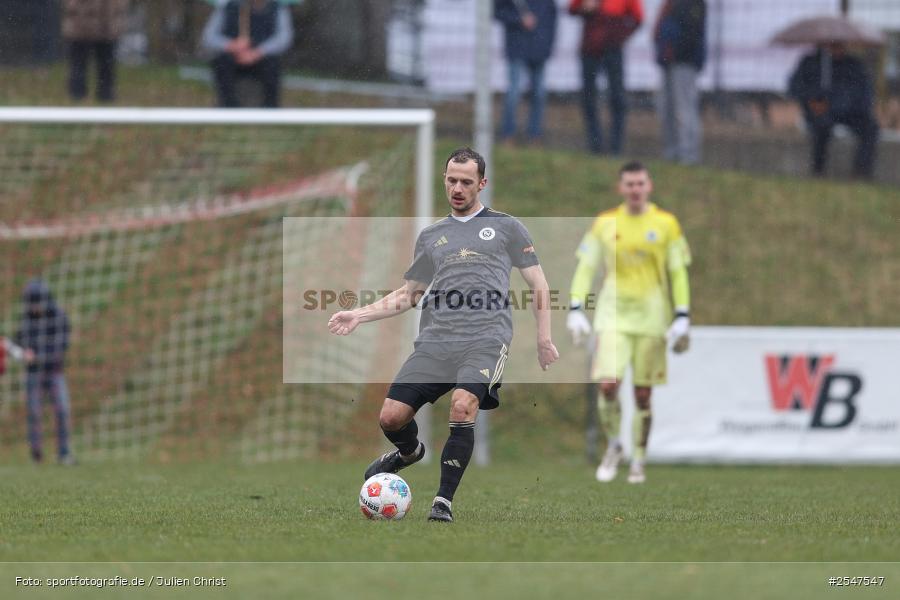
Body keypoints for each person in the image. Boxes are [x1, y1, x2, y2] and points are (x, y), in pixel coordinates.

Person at [328, 147, 559, 522]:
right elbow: (408, 294)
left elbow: (539, 284)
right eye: (451, 180)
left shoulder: (507, 227)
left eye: (467, 182)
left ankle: (443, 502)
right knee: (390, 418)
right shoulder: (432, 236)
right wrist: (358, 314)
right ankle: (408, 453)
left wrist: (544, 338)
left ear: (482, 184)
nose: (457, 188)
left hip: (486, 338)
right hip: (436, 341)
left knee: (463, 405)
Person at [567, 161, 691, 484]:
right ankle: (614, 445)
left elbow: (678, 271)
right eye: (629, 184)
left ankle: (639, 458)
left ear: (649, 186)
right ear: (621, 188)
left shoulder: (666, 224)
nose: (635, 189)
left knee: (643, 395)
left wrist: (682, 314)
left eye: (640, 183)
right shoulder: (605, 223)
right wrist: (576, 307)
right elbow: (586, 266)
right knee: (608, 385)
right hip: (613, 316)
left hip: (652, 317)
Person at [788, 43, 879, 179]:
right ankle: (818, 171)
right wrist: (812, 101)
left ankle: (860, 172)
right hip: (819, 112)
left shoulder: (854, 65)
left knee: (870, 128)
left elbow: (864, 93)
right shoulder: (810, 63)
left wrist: (848, 106)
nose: (836, 49)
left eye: (839, 45)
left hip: (849, 112)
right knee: (821, 127)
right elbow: (795, 88)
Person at [568, 0, 643, 155]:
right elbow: (572, 9)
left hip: (613, 49)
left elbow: (638, 18)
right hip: (590, 48)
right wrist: (584, 8)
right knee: (589, 97)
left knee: (617, 98)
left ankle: (616, 147)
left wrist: (620, 35)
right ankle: (595, 145)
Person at [13, 279, 74, 465]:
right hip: (34, 373)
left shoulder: (58, 318)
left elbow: (62, 344)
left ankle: (64, 453)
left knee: (62, 410)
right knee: (34, 412)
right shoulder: (26, 321)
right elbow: (19, 342)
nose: (34, 307)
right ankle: (36, 454)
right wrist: (25, 352)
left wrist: (40, 356)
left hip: (54, 371)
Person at [202, 0, 295, 108]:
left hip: (263, 57)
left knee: (272, 65)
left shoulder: (277, 9)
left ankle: (270, 107)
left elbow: (283, 38)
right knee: (222, 62)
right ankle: (228, 106)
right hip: (232, 57)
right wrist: (232, 45)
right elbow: (209, 37)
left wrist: (257, 52)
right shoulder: (227, 7)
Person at [495, 0, 558, 143]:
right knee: (514, 93)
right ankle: (508, 133)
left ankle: (535, 134)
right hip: (517, 47)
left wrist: (548, 44)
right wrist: (518, 20)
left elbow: (551, 17)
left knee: (539, 94)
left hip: (539, 48)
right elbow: (498, 11)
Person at [654, 0, 706, 165]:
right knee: (667, 108)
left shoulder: (695, 3)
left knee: (684, 108)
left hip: (685, 62)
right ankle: (672, 152)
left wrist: (676, 52)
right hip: (669, 62)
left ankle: (689, 154)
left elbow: (693, 31)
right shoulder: (671, 4)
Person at [61, 0, 130, 102]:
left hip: (105, 25)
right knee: (79, 64)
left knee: (105, 64)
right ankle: (78, 95)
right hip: (81, 24)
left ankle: (105, 95)